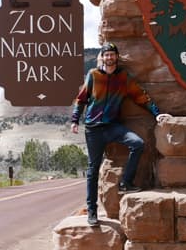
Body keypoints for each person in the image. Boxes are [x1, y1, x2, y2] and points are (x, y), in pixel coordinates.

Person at [71, 42, 170, 226]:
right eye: (106, 54)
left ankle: (126, 183)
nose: (109, 57)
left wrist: (157, 114)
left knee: (138, 143)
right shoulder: (93, 75)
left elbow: (141, 96)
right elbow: (81, 98)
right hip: (93, 129)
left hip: (113, 127)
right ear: (102, 57)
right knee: (93, 170)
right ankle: (92, 211)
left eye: (112, 54)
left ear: (116, 57)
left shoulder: (124, 78)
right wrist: (75, 120)